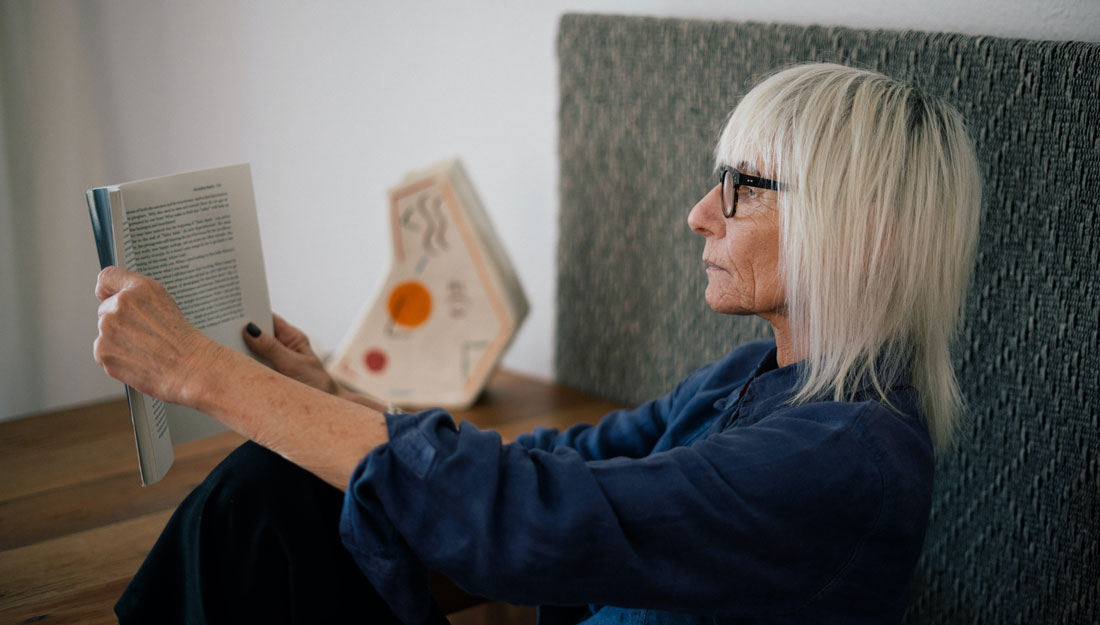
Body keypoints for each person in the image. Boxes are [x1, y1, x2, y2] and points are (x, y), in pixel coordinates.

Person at [94, 63, 981, 625]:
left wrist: (198, 371)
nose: (700, 213)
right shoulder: (752, 376)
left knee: (267, 495)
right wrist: (343, 406)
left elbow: (532, 518)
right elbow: (561, 463)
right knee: (277, 486)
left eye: (744, 187)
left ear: (868, 235)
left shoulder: (842, 459)